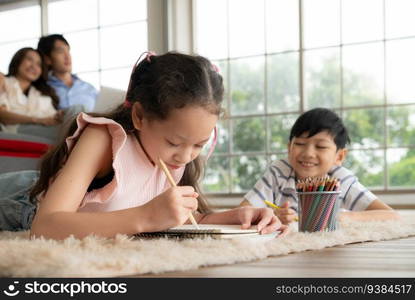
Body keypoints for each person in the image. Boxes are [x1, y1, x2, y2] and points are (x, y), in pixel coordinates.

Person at [0, 52, 288, 240]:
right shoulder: (104, 139)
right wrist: (145, 217)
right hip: (22, 199)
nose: (186, 156)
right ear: (139, 116)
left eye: (200, 144)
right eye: (174, 142)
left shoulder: (172, 156)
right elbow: (45, 226)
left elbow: (182, 218)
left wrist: (235, 217)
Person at [240, 108, 400, 224]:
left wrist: (346, 217)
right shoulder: (279, 172)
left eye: (321, 147)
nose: (308, 153)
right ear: (289, 148)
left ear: (340, 156)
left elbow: (391, 215)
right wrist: (271, 214)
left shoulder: (341, 180)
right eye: (301, 144)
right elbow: (242, 212)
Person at [0, 47, 63, 141]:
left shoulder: (42, 95)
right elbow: (2, 115)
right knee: (68, 130)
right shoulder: (4, 82)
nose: (34, 66)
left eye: (38, 64)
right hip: (15, 130)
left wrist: (59, 116)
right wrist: (37, 120)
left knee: (76, 112)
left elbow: (52, 118)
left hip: (42, 130)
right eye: (29, 59)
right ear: (18, 61)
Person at [37, 34, 97, 112]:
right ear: (47, 59)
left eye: (68, 51)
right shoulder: (41, 90)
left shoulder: (90, 89)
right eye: (61, 51)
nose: (67, 56)